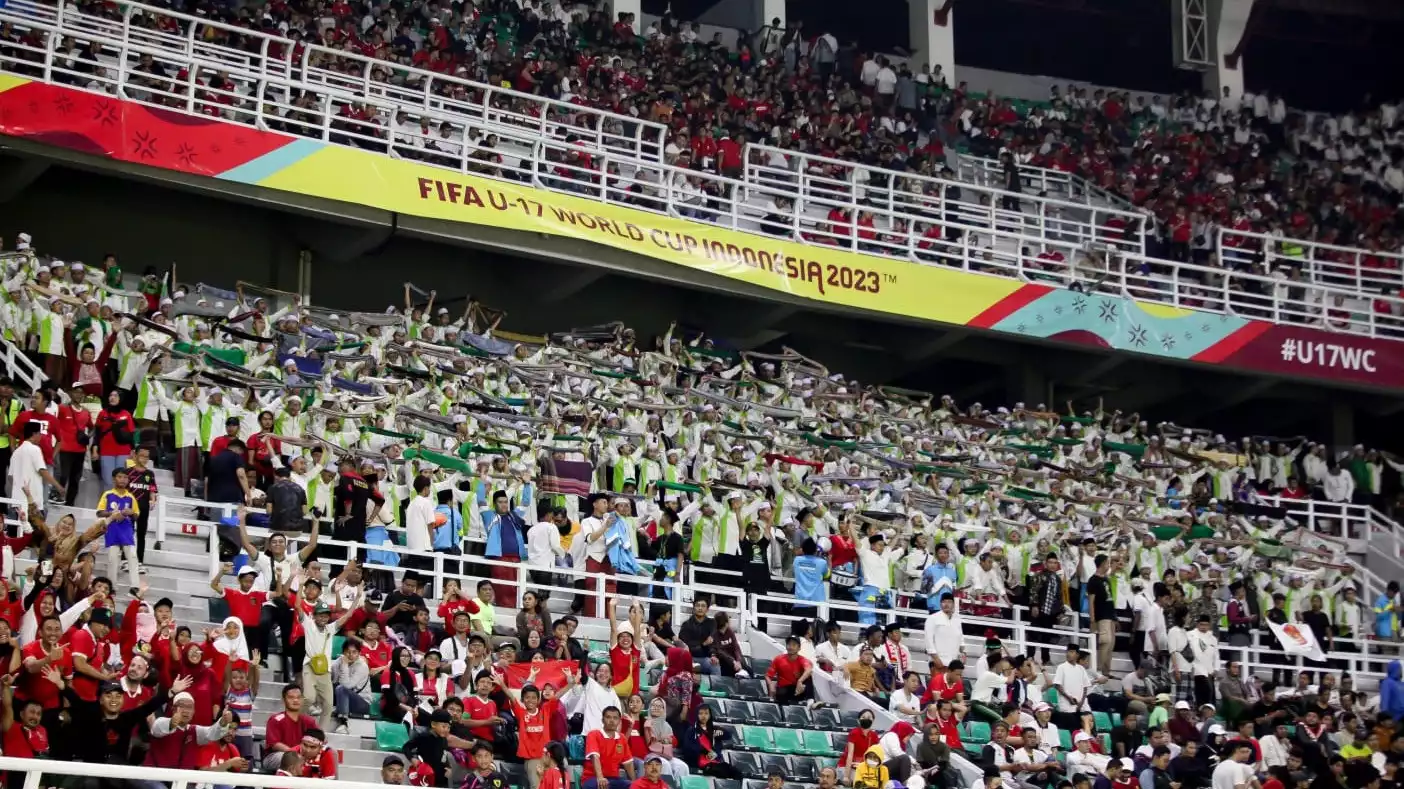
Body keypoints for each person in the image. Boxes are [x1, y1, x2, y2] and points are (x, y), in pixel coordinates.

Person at [96, 466, 142, 593]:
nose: (122, 480)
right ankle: (112, 586)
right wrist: (112, 513)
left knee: (132, 556)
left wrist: (131, 512)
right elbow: (99, 512)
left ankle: (135, 586)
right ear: (113, 479)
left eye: (125, 477)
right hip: (112, 528)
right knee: (112, 558)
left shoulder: (131, 497)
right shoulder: (108, 494)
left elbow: (137, 515)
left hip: (126, 529)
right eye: (119, 477)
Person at [582, 706, 635, 789]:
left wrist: (635, 783)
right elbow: (595, 757)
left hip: (614, 779)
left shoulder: (622, 738)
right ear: (602, 720)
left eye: (615, 718)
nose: (612, 721)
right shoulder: (594, 734)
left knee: (632, 785)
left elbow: (628, 763)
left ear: (619, 721)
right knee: (597, 785)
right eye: (608, 717)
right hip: (592, 778)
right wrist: (600, 778)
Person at [765, 635, 813, 706]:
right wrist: (770, 685)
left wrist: (800, 681)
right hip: (783, 689)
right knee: (782, 691)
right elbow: (768, 676)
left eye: (794, 645)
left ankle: (810, 701)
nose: (790, 647)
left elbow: (809, 670)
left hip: (797, 689)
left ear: (799, 648)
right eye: (789, 644)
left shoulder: (802, 660)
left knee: (808, 677)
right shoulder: (778, 659)